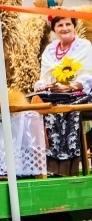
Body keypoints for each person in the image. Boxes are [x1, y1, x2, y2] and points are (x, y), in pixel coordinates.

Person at [34, 16, 92, 172]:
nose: (65, 28)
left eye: (68, 24)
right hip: (56, 93)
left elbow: (89, 75)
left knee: (67, 108)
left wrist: (71, 86)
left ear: (74, 26)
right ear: (54, 30)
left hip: (82, 92)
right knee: (47, 107)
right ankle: (50, 164)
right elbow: (43, 77)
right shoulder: (50, 49)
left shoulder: (84, 46)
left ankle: (68, 165)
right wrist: (45, 86)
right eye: (60, 25)